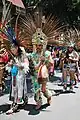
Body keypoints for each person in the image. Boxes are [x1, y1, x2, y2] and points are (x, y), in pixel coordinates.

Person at [6, 44, 30, 114]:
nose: (12, 51)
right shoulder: (13, 56)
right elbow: (10, 65)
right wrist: (10, 65)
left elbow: (26, 65)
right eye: (11, 50)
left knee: (19, 88)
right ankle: (17, 102)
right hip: (14, 75)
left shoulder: (23, 55)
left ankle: (15, 104)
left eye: (13, 49)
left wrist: (20, 65)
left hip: (20, 75)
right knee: (15, 88)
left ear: (17, 48)